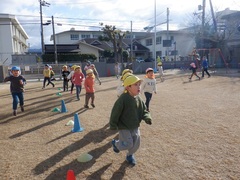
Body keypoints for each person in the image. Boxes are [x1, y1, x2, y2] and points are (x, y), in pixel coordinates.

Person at [109, 74, 152, 166]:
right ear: (128, 87)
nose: (138, 87)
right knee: (128, 144)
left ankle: (130, 155)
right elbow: (115, 112)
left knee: (136, 144)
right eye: (135, 85)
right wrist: (113, 124)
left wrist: (147, 117)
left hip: (135, 126)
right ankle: (116, 144)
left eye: (139, 84)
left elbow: (144, 110)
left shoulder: (139, 99)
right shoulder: (123, 99)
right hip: (124, 126)